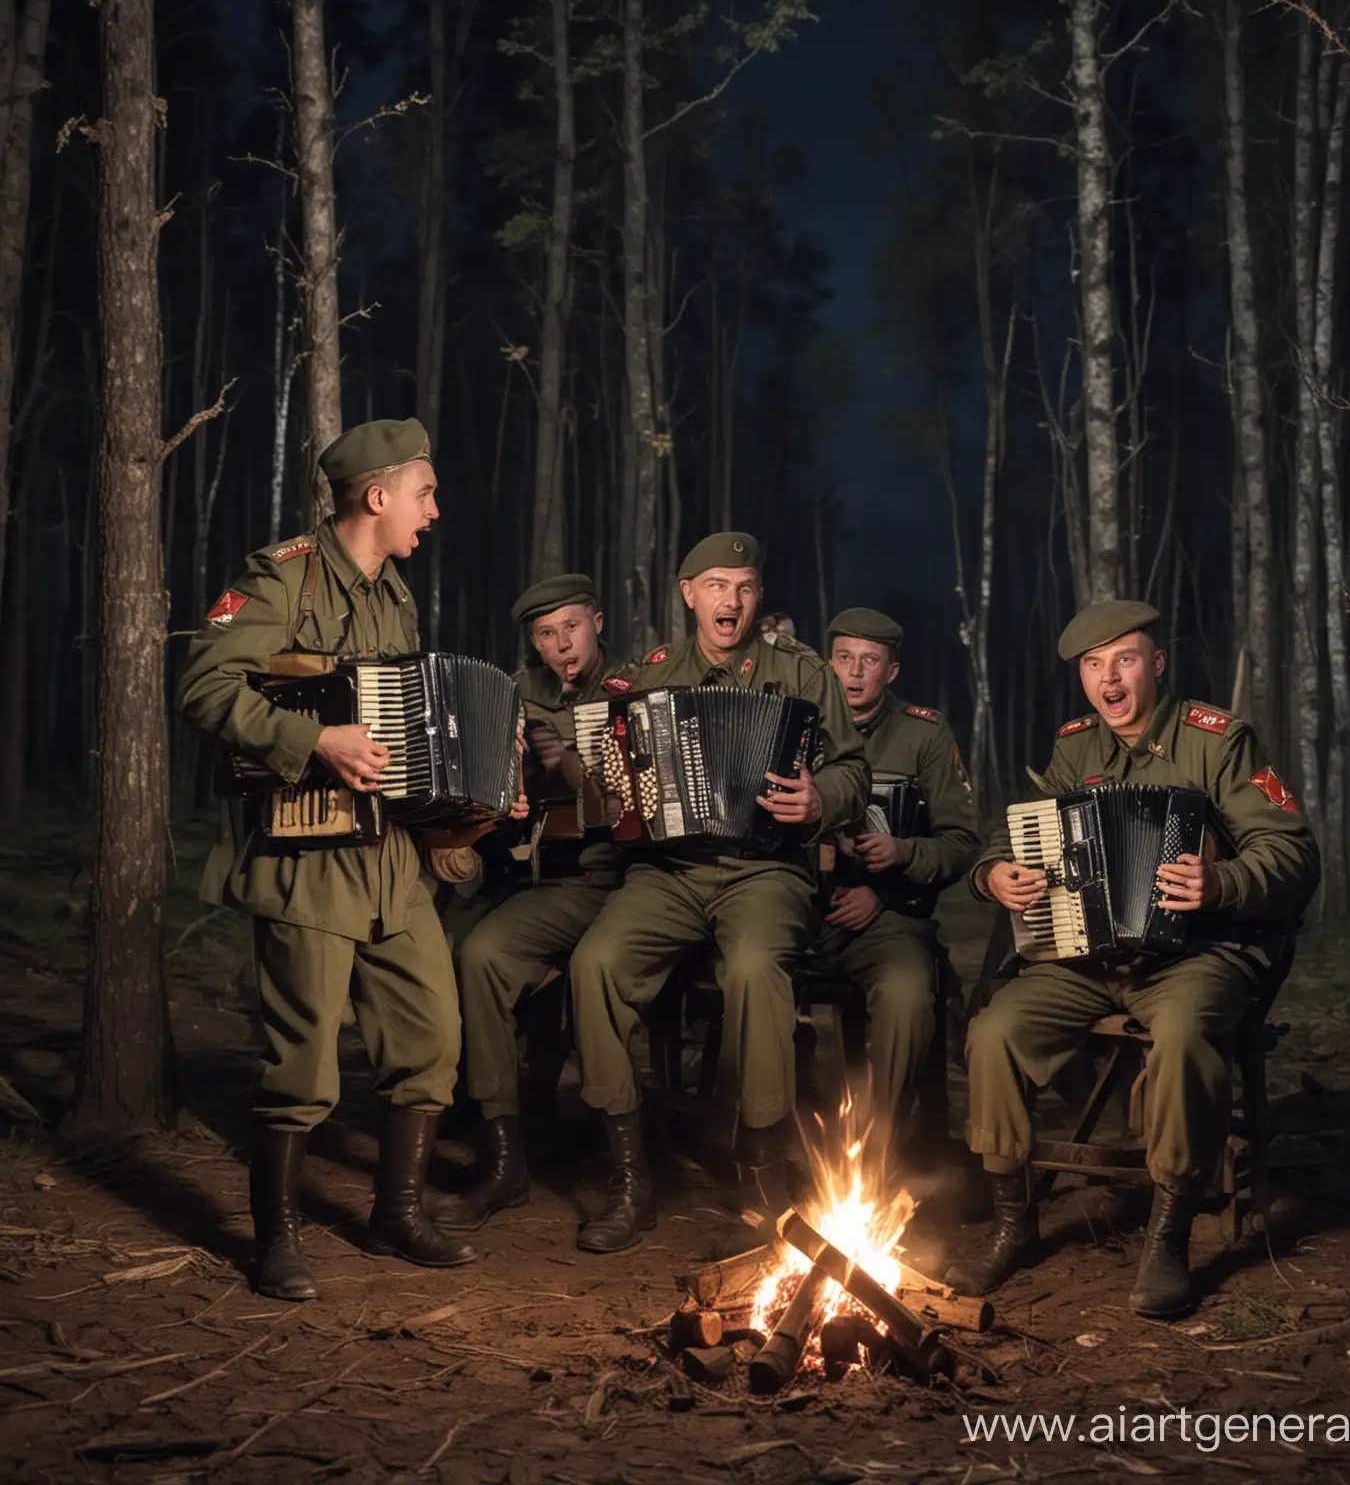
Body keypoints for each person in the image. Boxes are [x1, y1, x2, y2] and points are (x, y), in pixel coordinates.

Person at [945, 600, 1319, 1318]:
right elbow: (1015, 835)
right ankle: (1013, 1221)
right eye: (1092, 666)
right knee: (995, 1032)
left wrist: (1223, 882)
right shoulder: (1076, 747)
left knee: (1182, 1037)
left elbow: (1293, 854)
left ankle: (1169, 1234)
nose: (1107, 680)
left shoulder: (1217, 740)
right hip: (1089, 958)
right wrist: (994, 874)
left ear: (1156, 664)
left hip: (1197, 955)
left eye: (1123, 660)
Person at [178, 418, 479, 1301]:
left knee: (432, 1037)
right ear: (378, 497)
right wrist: (314, 740)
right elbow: (204, 685)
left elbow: (403, 722)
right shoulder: (281, 577)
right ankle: (275, 1239)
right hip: (306, 854)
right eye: (424, 493)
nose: (435, 509)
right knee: (301, 1060)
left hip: (391, 854)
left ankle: (397, 1214)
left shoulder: (395, 595)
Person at [566, 532, 871, 1252]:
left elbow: (854, 771)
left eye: (744, 587)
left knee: (754, 970)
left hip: (765, 869)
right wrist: (614, 784)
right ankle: (631, 1176)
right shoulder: (652, 675)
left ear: (758, 596)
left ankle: (761, 1173)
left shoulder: (802, 674)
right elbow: (616, 787)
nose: (730, 601)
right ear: (689, 594)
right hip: (669, 871)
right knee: (595, 964)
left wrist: (817, 797)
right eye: (715, 586)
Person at [434, 574, 627, 1231]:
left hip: (635, 876)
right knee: (482, 953)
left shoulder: (639, 686)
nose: (560, 645)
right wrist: (509, 794)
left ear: (597, 622)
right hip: (557, 880)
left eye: (570, 627)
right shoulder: (514, 695)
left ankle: (624, 1161)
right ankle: (504, 1155)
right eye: (545, 634)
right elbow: (493, 805)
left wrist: (575, 764)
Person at [818, 608, 981, 1138]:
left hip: (887, 916)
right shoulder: (796, 723)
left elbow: (960, 845)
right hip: (798, 907)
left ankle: (877, 1148)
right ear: (829, 663)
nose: (855, 672)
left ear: (891, 672)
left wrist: (902, 859)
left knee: (910, 992)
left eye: (870, 661)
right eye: (844, 658)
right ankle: (771, 1144)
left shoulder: (923, 735)